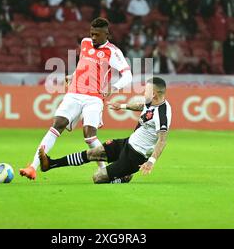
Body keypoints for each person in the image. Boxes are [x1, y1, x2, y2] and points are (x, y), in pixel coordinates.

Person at [19, 18, 133, 180]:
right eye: (91, 33)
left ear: (106, 34)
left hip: (94, 98)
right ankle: (33, 166)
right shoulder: (85, 43)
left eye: (97, 34)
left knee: (89, 135)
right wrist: (73, 76)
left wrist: (113, 87)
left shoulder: (113, 52)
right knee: (57, 124)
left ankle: (105, 170)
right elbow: (84, 64)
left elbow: (128, 76)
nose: (93, 37)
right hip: (74, 93)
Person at [38, 78, 171, 184]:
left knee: (98, 178)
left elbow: (162, 140)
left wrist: (151, 161)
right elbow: (142, 105)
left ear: (154, 94)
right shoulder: (151, 102)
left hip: (136, 156)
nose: (144, 93)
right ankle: (50, 164)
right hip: (128, 143)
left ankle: (123, 178)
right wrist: (123, 106)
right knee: (92, 153)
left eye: (146, 91)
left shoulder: (162, 114)